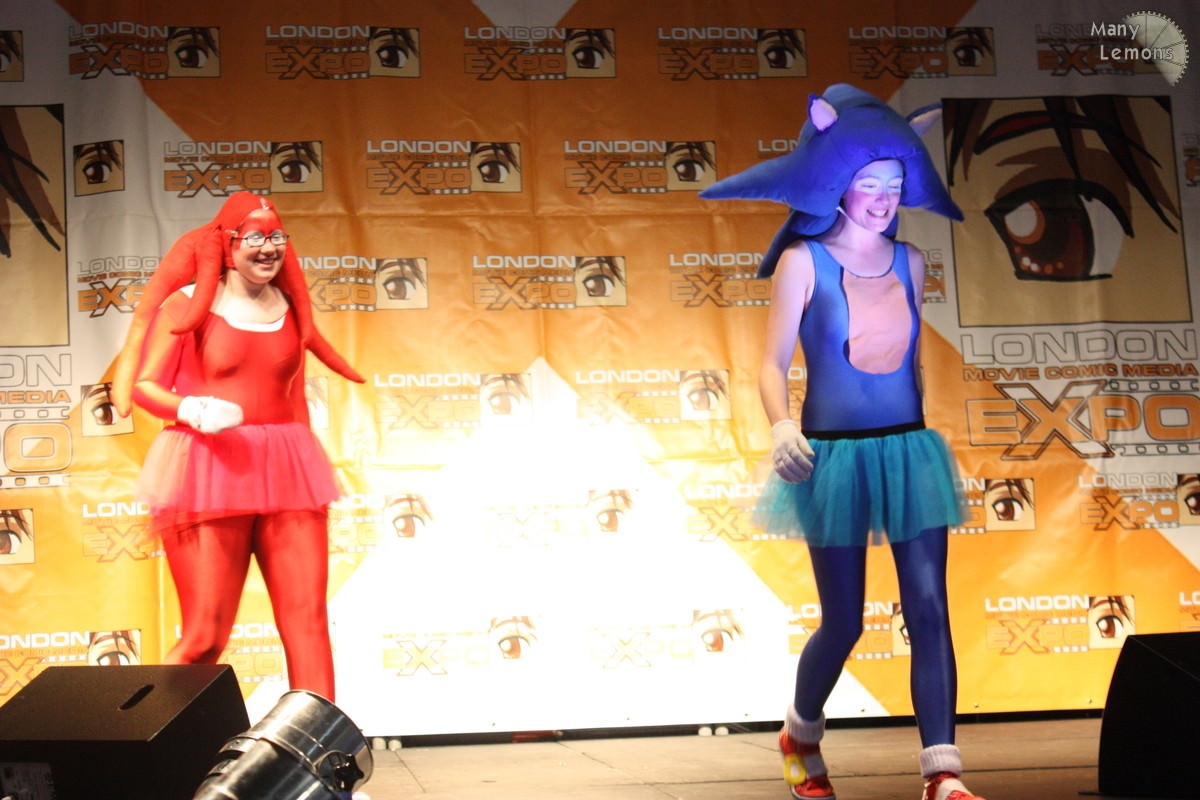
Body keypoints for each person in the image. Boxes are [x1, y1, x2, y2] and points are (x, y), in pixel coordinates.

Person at [701, 84, 983, 800]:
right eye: (869, 183)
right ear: (838, 182)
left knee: (929, 608)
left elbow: (906, 361)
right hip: (833, 457)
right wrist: (782, 425)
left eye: (894, 184)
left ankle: (943, 773)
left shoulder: (912, 261)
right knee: (845, 620)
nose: (884, 199)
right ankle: (800, 732)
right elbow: (771, 363)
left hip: (908, 452)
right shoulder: (803, 261)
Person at [110, 191, 364, 701]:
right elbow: (144, 386)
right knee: (205, 634)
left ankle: (318, 746)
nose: (268, 248)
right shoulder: (188, 305)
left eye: (276, 237)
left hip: (287, 473)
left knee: (308, 622)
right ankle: (155, 741)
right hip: (210, 470)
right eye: (255, 238)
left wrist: (306, 468)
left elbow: (294, 400)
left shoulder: (291, 309)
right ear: (226, 244)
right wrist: (193, 408)